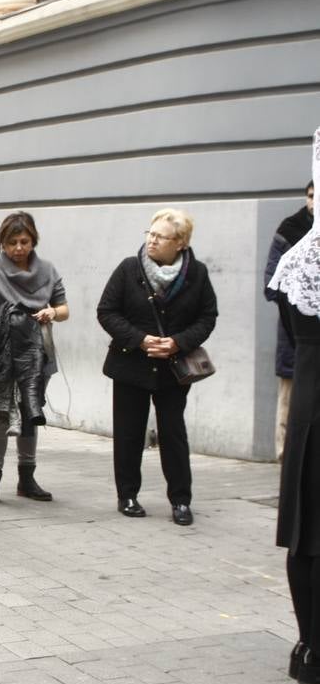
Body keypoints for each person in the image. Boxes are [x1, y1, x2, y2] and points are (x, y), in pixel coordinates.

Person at [96, 208, 218, 526]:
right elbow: (107, 311)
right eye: (149, 234)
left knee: (173, 433)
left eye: (159, 236)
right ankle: (128, 495)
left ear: (179, 242)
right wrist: (140, 339)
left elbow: (207, 316)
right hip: (130, 364)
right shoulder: (129, 268)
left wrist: (179, 342)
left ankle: (180, 500)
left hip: (173, 369)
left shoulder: (197, 274)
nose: (151, 240)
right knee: (128, 433)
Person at [0, 211, 69, 507]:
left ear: (33, 240)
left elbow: (64, 309)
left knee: (30, 413)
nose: (18, 248)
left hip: (38, 353)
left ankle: (27, 478)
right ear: (2, 243)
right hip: (2, 353)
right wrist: (6, 316)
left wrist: (51, 312)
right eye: (11, 242)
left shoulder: (47, 271)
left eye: (24, 241)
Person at [269, 135, 320, 684]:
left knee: (309, 529)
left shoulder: (299, 258)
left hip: (311, 391)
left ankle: (309, 647)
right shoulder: (303, 256)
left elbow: (292, 325)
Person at [265, 180, 315, 459]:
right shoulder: (290, 230)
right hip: (295, 334)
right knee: (289, 399)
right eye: (310, 196)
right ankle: (286, 459)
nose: (314, 201)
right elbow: (271, 284)